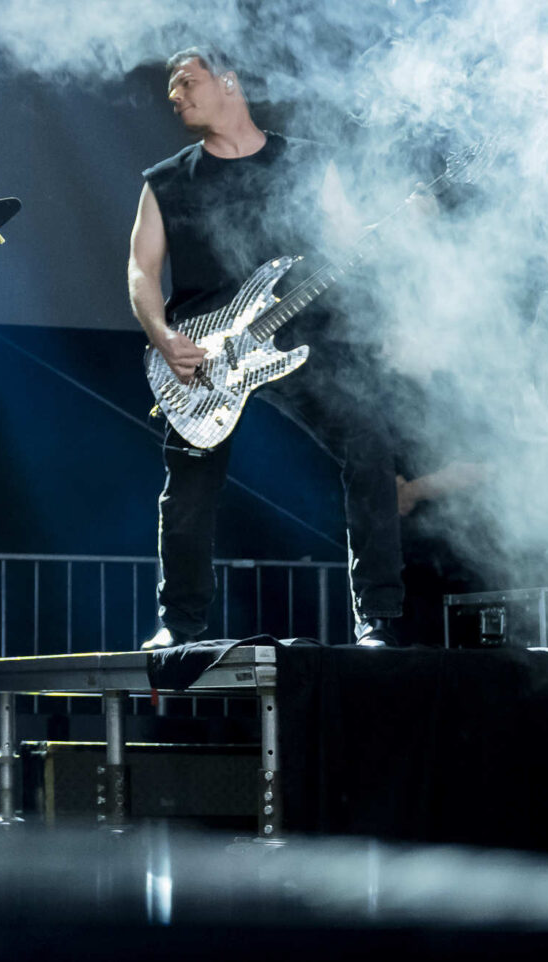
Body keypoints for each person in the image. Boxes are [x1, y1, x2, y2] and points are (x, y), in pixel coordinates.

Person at [126, 47, 404, 648]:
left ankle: (376, 618)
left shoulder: (307, 163)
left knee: (370, 445)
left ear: (230, 83)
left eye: (187, 82)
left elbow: (349, 242)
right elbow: (141, 272)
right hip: (205, 357)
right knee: (190, 486)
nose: (175, 95)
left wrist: (386, 249)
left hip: (304, 338)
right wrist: (164, 336)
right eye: (172, 89)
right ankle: (180, 624)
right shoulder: (166, 181)